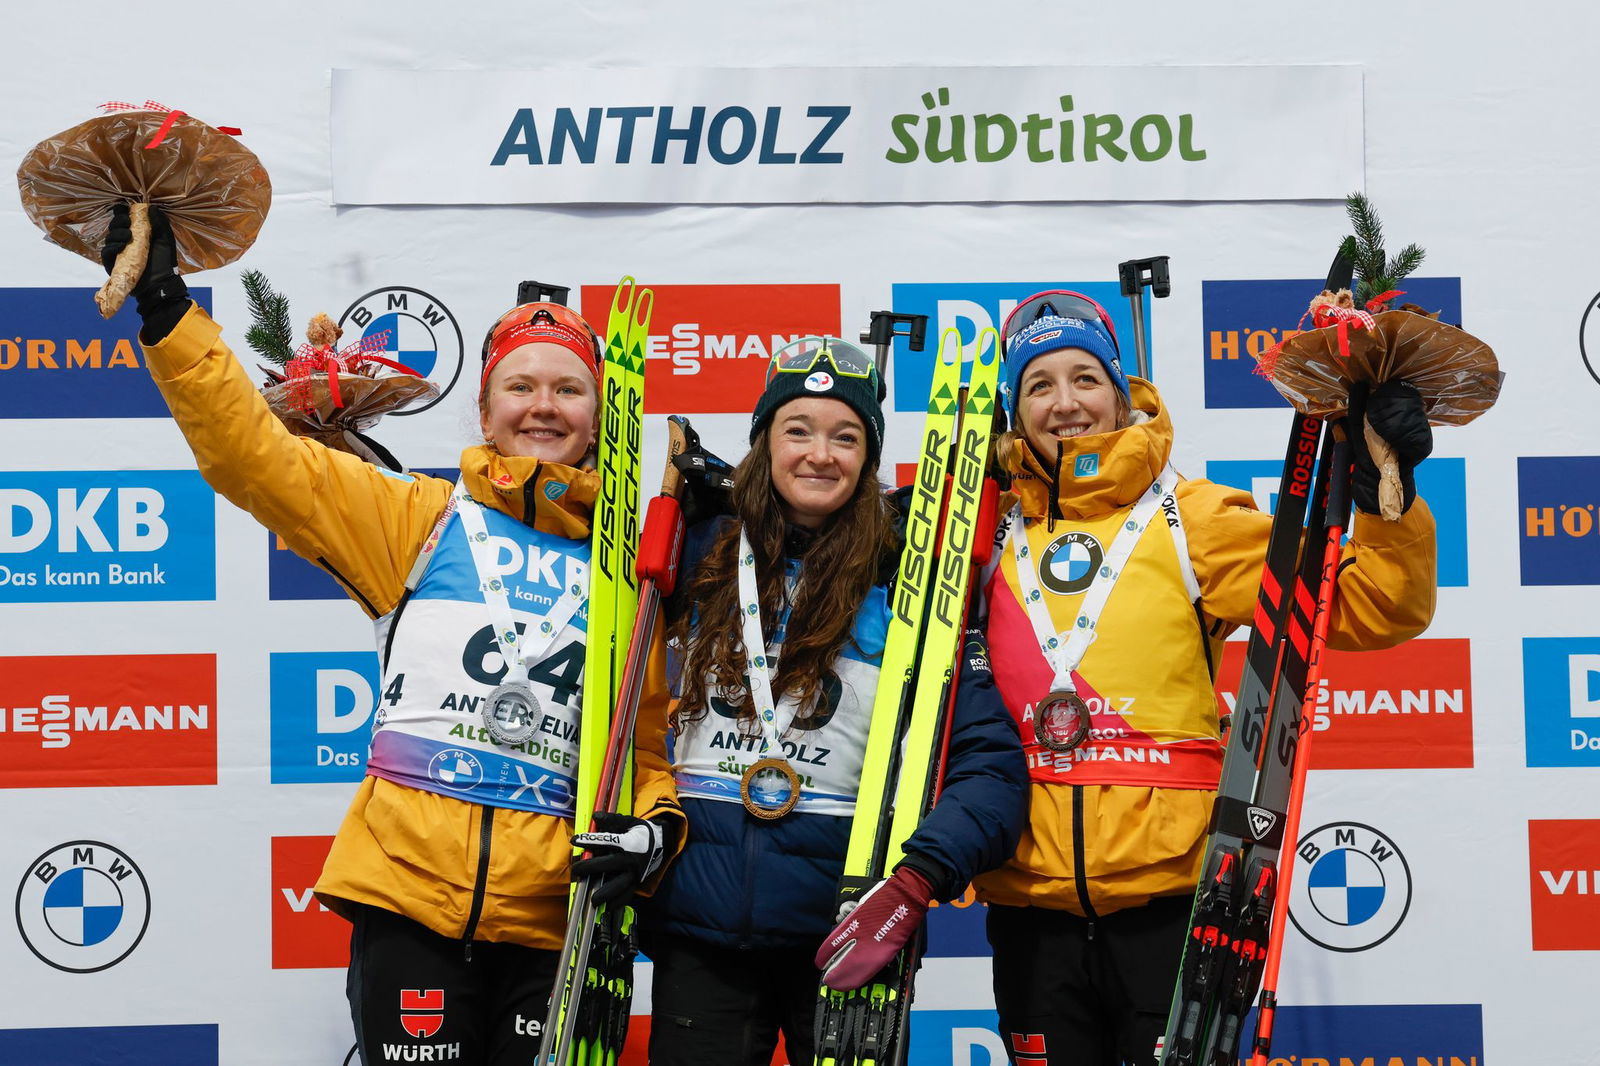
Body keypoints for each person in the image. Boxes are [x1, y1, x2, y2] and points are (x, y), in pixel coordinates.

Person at [95, 204, 683, 1066]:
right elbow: (255, 457)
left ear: (599, 416)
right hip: (408, 901)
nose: (543, 407)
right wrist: (168, 313)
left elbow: (649, 745)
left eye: (567, 389)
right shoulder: (418, 519)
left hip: (557, 920)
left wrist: (655, 828)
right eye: (520, 386)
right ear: (485, 410)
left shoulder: (632, 574)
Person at [973, 291, 1438, 1066]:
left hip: (1178, 904)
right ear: (1013, 411)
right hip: (1030, 909)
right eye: (1039, 385)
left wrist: (1388, 494)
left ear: (1121, 393)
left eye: (1085, 378)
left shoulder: (1189, 518)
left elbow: (1373, 605)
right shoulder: (980, 532)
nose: (1065, 404)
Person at [638, 337, 1029, 1066]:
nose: (821, 454)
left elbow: (991, 767)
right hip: (700, 934)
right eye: (799, 431)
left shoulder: (911, 586)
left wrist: (915, 883)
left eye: (846, 436)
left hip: (849, 929)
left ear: (868, 459)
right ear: (764, 443)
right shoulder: (699, 555)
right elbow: (623, 712)